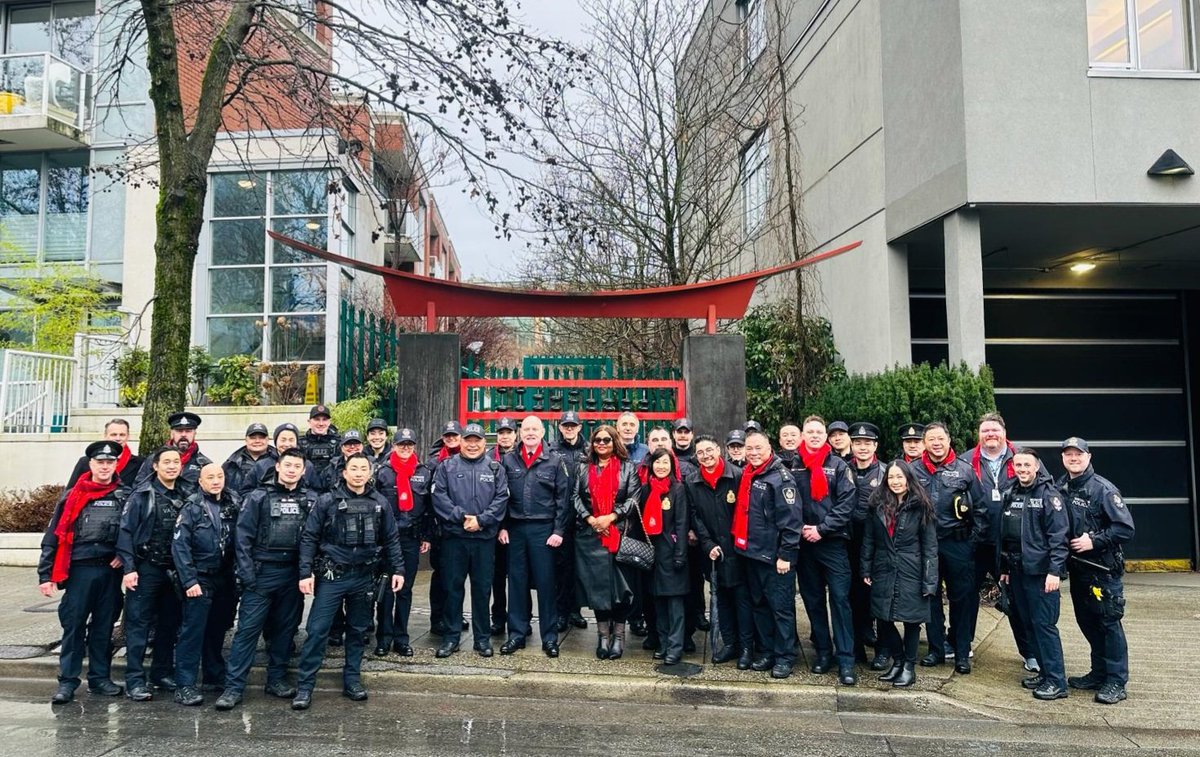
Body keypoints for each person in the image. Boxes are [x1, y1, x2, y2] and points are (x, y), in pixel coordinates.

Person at [292, 453, 405, 710]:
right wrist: (305, 572)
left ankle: (352, 680)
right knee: (318, 630)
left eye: (363, 469)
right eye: (353, 468)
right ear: (344, 472)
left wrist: (398, 569)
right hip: (332, 577)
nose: (358, 473)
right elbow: (309, 538)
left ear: (370, 472)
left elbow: (391, 539)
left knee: (357, 631)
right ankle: (305, 686)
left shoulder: (380, 502)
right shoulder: (327, 501)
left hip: (364, 577)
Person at [215, 448, 318, 711]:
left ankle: (277, 680)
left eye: (298, 466)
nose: (293, 470)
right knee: (247, 631)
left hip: (292, 574)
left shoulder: (311, 499)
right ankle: (234, 687)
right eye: (288, 465)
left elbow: (315, 538)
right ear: (278, 468)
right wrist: (248, 574)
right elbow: (243, 538)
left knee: (285, 631)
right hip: (261, 574)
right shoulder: (259, 497)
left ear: (303, 471)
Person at [39, 440, 129, 704]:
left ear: (116, 464)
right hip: (80, 571)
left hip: (110, 573)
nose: (104, 466)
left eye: (109, 462)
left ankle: (100, 679)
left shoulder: (125, 494)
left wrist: (124, 556)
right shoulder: (72, 496)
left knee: (103, 629)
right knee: (74, 627)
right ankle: (67, 682)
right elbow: (53, 535)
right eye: (100, 462)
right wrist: (45, 575)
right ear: (90, 464)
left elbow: (133, 533)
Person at [1057, 437, 1135, 705]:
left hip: (1103, 570)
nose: (1073, 458)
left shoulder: (1103, 489)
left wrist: (1094, 540)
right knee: (1087, 622)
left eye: (1078, 454)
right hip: (1078, 570)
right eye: (1068, 455)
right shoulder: (1061, 486)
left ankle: (1116, 680)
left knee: (1108, 623)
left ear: (1088, 457)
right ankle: (1099, 672)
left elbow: (1125, 528)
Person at [995, 448, 1070, 701]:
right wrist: (1004, 569)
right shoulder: (1011, 492)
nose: (1023, 470)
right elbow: (1007, 535)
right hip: (1017, 571)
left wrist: (1054, 571)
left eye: (1028, 465)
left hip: (1041, 574)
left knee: (1044, 625)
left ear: (1037, 467)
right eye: (1019, 465)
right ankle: (1045, 673)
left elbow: (1059, 538)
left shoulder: (1050, 495)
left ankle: (1057, 681)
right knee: (1029, 625)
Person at [431, 424, 509, 658]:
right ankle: (451, 637)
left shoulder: (495, 467)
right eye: (468, 440)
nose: (472, 444)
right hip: (455, 539)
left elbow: (501, 499)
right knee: (453, 589)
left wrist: (481, 520)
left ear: (485, 443)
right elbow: (439, 497)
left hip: (484, 539)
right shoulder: (446, 467)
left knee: (482, 589)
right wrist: (462, 517)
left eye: (477, 440)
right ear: (461, 442)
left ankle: (482, 639)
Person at [117, 446, 189, 701]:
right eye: (166, 462)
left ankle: (161, 673)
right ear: (155, 466)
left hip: (175, 570)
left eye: (176, 462)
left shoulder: (187, 494)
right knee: (138, 625)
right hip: (146, 568)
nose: (172, 466)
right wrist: (129, 568)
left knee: (169, 624)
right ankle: (135, 680)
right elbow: (125, 532)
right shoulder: (141, 495)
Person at [967, 412, 1036, 672]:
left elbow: (1043, 489)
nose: (990, 435)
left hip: (1010, 546)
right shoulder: (966, 461)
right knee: (966, 597)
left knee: (1017, 600)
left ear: (1004, 433)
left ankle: (1030, 653)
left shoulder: (1022, 459)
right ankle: (963, 645)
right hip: (977, 543)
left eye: (995, 430)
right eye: (985, 431)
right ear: (979, 434)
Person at [862, 461, 938, 688]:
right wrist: (865, 567)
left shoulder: (921, 506)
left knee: (911, 620)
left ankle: (909, 667)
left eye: (899, 477)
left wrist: (929, 581)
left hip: (911, 569)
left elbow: (930, 547)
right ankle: (898, 659)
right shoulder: (877, 505)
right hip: (883, 566)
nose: (895, 482)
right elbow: (869, 540)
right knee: (884, 617)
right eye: (891, 477)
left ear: (908, 478)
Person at [794, 415, 858, 684]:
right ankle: (823, 652)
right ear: (803, 435)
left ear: (827, 437)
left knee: (841, 601)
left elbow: (847, 503)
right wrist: (800, 528)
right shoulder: (792, 466)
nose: (815, 435)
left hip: (832, 542)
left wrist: (821, 529)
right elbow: (787, 503)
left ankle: (846, 660)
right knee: (813, 601)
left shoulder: (840, 467)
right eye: (810, 431)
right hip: (803, 544)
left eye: (820, 432)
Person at [912, 421, 981, 674]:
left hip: (957, 543)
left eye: (940, 438)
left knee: (960, 599)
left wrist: (971, 541)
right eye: (931, 439)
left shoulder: (965, 471)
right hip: (926, 544)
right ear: (925, 443)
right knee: (930, 597)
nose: (936, 443)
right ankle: (936, 650)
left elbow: (981, 510)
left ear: (949, 440)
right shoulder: (914, 470)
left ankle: (962, 653)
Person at [498, 416, 570, 657]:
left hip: (544, 530)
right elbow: (501, 497)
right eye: (526, 429)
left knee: (546, 584)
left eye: (534, 429)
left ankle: (549, 638)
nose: (530, 433)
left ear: (542, 432)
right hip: (516, 529)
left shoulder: (554, 460)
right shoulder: (509, 459)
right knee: (516, 583)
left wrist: (558, 531)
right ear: (520, 433)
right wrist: (503, 526)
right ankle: (517, 634)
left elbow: (563, 499)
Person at [170, 463, 240, 706]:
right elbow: (180, 546)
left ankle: (213, 674)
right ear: (200, 482)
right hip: (199, 578)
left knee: (217, 629)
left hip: (225, 578)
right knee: (193, 631)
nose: (216, 481)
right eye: (210, 477)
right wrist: (189, 580)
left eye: (219, 476)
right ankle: (185, 685)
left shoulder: (233, 504)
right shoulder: (191, 508)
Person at [734, 430, 801, 679]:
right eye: (749, 448)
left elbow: (792, 523)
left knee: (781, 609)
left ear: (769, 447)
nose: (753, 453)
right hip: (752, 553)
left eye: (758, 448)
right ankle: (766, 651)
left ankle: (785, 657)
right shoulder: (750, 474)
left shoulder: (780, 478)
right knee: (759, 606)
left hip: (775, 558)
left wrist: (786, 555)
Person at [573, 424, 639, 660]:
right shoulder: (583, 468)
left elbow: (633, 499)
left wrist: (611, 517)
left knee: (621, 589)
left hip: (618, 533)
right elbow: (575, 497)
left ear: (615, 443)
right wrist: (591, 519)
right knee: (598, 589)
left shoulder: (628, 467)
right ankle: (602, 636)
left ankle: (619, 637)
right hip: (590, 537)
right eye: (597, 440)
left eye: (606, 440)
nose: (601, 444)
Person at [687, 435, 753, 667]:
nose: (706, 456)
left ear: (719, 450)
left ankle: (746, 647)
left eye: (709, 450)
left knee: (742, 600)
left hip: (737, 550)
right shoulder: (692, 481)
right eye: (700, 453)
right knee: (720, 599)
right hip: (713, 552)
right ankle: (730, 643)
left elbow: (745, 512)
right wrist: (707, 544)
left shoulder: (737, 476)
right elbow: (694, 516)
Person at [373, 428, 432, 657]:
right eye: (401, 444)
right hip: (387, 539)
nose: (405, 448)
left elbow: (428, 509)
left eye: (409, 444)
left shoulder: (423, 472)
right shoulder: (383, 472)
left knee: (405, 590)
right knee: (386, 589)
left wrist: (427, 536)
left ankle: (401, 638)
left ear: (414, 446)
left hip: (411, 539)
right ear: (394, 446)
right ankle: (383, 638)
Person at [638, 448, 689, 666]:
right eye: (657, 462)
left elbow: (682, 523)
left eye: (665, 462)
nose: (661, 467)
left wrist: (680, 554)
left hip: (672, 551)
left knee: (675, 604)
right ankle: (663, 643)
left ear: (672, 465)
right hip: (652, 553)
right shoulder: (645, 489)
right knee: (658, 602)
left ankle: (675, 647)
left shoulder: (678, 489)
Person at [848, 422, 887, 669]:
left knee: (877, 595)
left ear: (875, 446)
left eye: (867, 443)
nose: (862, 447)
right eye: (858, 443)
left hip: (876, 544)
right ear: (851, 445)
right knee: (851, 595)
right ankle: (855, 647)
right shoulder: (841, 469)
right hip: (848, 542)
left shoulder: (885, 472)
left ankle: (882, 649)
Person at [551, 410, 589, 632]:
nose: (569, 429)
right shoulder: (553, 450)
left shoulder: (589, 450)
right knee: (561, 569)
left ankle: (576, 610)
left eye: (573, 425)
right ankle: (561, 612)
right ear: (560, 427)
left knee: (580, 568)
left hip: (583, 518)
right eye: (566, 425)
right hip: (561, 518)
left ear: (579, 427)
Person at [427, 420, 465, 637]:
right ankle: (438, 618)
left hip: (463, 526)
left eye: (455, 435)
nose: (451, 439)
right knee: (441, 576)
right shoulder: (434, 462)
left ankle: (455, 616)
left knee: (458, 577)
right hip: (441, 527)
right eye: (447, 436)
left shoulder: (473, 458)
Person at [134, 412, 212, 494]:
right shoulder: (154, 460)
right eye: (179, 431)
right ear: (172, 433)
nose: (183, 435)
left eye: (188, 431)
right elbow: (139, 488)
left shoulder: (204, 464)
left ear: (194, 433)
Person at [490, 416, 518, 638]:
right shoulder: (489, 457)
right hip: (495, 526)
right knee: (497, 577)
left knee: (520, 577)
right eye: (501, 432)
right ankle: (498, 618)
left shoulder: (521, 456)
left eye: (509, 432)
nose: (505, 436)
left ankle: (520, 619)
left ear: (515, 434)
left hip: (517, 524)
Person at [65, 418, 143, 489]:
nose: (118, 438)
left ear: (128, 437)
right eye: (113, 434)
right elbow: (71, 491)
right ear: (105, 436)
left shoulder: (139, 463)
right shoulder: (86, 462)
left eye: (122, 435)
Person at [248, 422, 323, 495]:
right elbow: (247, 491)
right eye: (283, 440)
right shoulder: (261, 465)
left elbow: (316, 491)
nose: (287, 444)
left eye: (291, 440)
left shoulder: (307, 465)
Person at [223, 423, 275, 496]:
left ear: (267, 440)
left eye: (261, 437)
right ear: (246, 440)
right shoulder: (231, 464)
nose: (257, 441)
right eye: (253, 438)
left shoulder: (279, 462)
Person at [299, 404, 340, 479]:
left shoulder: (339, 443)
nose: (321, 423)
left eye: (324, 419)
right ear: (309, 422)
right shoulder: (299, 444)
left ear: (329, 422)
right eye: (317, 419)